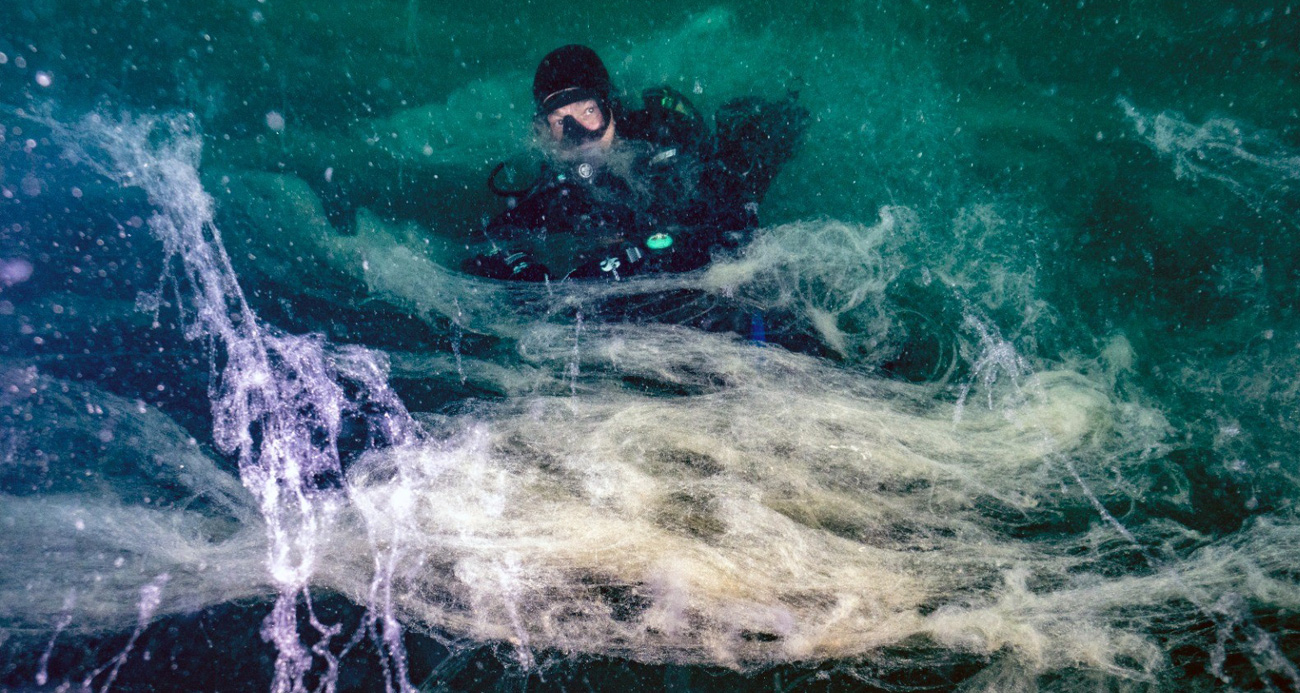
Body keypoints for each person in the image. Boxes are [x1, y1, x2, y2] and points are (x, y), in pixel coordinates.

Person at [463, 44, 808, 282]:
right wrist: (522, 267)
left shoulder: (660, 144)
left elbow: (725, 222)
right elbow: (496, 237)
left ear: (608, 107)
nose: (578, 135)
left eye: (587, 112)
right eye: (559, 122)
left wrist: (626, 259)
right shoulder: (559, 183)